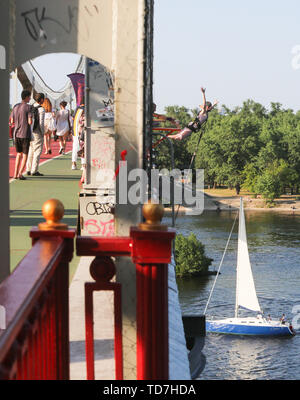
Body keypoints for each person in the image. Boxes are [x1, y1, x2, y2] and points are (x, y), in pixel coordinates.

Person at [10, 90, 32, 180]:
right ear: (26, 97)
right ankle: (20, 174)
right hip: (25, 133)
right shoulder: (28, 107)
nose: (30, 98)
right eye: (29, 97)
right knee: (25, 155)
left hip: (17, 133)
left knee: (19, 154)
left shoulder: (15, 107)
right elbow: (30, 121)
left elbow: (12, 121)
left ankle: (15, 173)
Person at [26, 93, 45, 176]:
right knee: (37, 151)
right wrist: (43, 132)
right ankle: (34, 170)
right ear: (41, 99)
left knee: (31, 150)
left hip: (30, 131)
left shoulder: (31, 107)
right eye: (43, 99)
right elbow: (41, 123)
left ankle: (28, 169)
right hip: (37, 132)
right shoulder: (41, 109)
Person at [71, 104, 84, 170]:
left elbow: (73, 118)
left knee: (76, 147)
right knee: (83, 147)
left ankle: (74, 163)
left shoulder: (78, 108)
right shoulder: (86, 108)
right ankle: (83, 164)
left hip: (76, 130)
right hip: (80, 131)